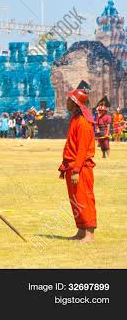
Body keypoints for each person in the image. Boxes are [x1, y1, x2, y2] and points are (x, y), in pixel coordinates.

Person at [59, 84, 96, 242]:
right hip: (72, 166)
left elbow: (82, 150)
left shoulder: (83, 123)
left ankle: (89, 233)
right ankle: (81, 230)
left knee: (84, 199)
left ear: (75, 103)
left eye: (69, 99)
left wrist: (76, 170)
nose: (66, 101)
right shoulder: (75, 119)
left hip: (79, 168)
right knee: (75, 200)